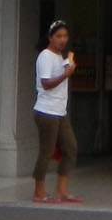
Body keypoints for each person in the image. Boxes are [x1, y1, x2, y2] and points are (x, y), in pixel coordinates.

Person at [32, 20, 79, 204]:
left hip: (60, 111)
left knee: (70, 148)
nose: (62, 40)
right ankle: (38, 192)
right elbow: (46, 84)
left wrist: (67, 69)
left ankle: (61, 190)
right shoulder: (45, 56)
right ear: (50, 37)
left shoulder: (61, 56)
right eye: (58, 36)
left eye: (65, 36)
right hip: (46, 111)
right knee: (47, 151)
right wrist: (65, 75)